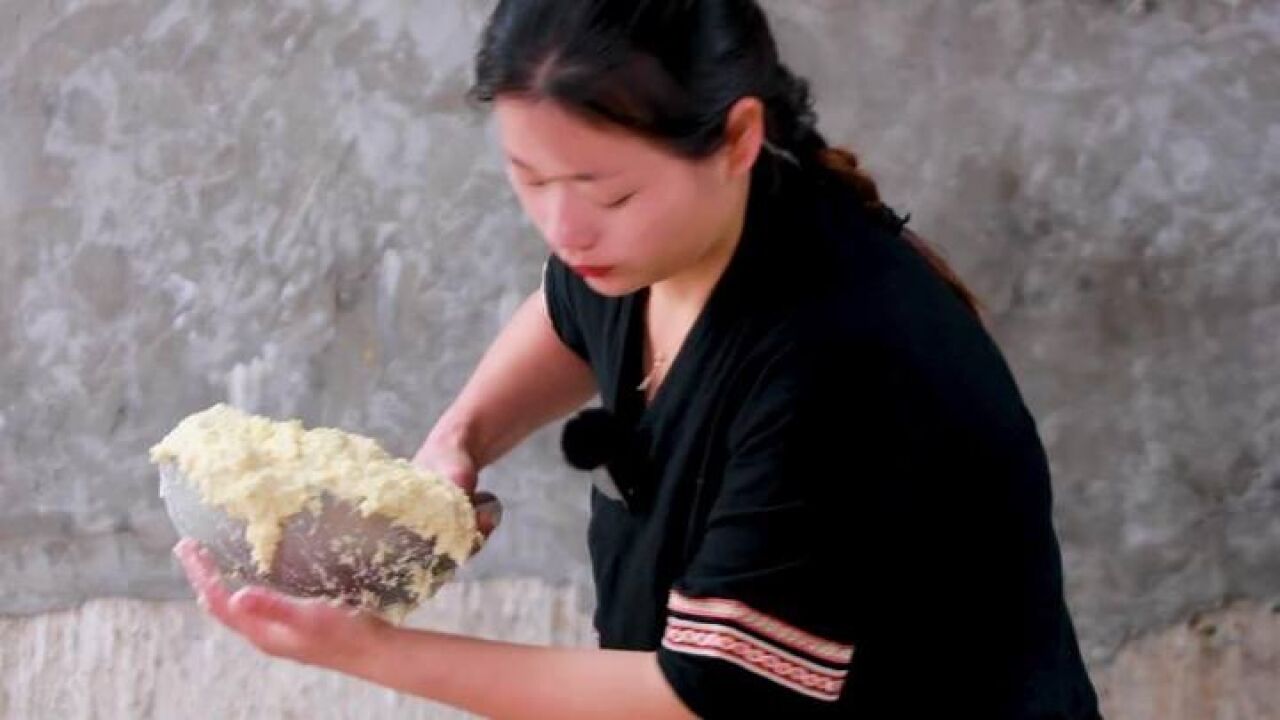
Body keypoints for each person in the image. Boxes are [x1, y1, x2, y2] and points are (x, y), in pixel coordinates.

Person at [174, 1, 1105, 717]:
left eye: (606, 191)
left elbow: (698, 699)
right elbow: (567, 305)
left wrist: (365, 652)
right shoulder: (657, 247)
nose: (565, 227)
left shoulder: (841, 362)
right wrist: (456, 446)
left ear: (739, 139)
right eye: (530, 179)